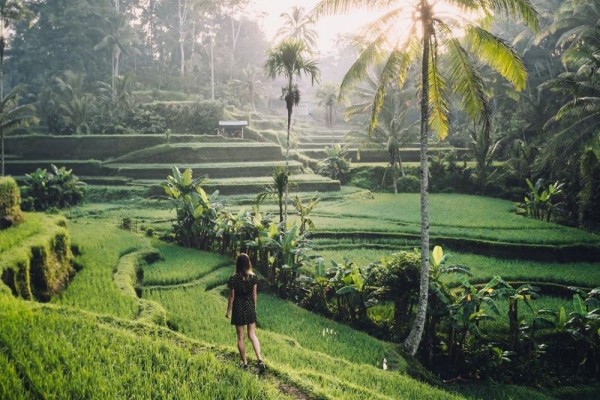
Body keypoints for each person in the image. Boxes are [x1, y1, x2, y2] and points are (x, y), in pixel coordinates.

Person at [226, 253, 265, 371]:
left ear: (238, 264)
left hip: (238, 307)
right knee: (252, 335)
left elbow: (231, 297)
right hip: (249, 307)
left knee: (240, 338)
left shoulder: (233, 279)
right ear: (248, 263)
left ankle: (244, 363)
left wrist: (228, 311)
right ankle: (260, 360)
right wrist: (254, 307)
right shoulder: (253, 277)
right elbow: (254, 294)